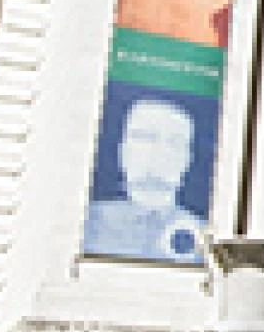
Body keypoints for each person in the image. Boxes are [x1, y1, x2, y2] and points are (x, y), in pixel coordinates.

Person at [83, 94, 206, 263]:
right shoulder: (86, 221)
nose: (159, 152)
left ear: (188, 158)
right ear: (122, 149)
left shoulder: (205, 236)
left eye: (174, 142)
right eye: (145, 137)